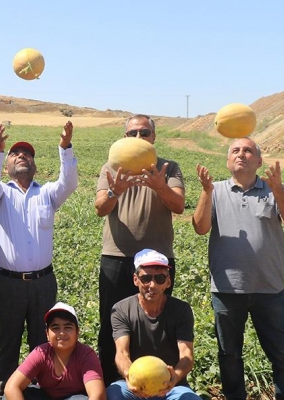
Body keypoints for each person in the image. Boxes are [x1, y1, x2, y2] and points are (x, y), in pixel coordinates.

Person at [191, 138, 284, 400]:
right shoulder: (214, 190)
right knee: (229, 355)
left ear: (259, 161)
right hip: (227, 289)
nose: (242, 155)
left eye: (248, 151)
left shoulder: (274, 189)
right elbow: (200, 227)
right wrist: (206, 192)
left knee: (282, 354)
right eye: (235, 151)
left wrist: (277, 189)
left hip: (268, 288)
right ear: (228, 161)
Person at [0, 121, 78, 393]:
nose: (22, 156)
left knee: (43, 340)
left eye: (27, 154)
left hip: (43, 282)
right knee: (8, 340)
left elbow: (69, 183)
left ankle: (40, 390)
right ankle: (6, 391)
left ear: (34, 165)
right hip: (9, 283)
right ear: (8, 164)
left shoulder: (47, 193)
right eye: (16, 154)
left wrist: (65, 148)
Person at [93, 114, 185, 384]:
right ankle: (113, 384)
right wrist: (114, 192)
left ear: (154, 138)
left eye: (145, 133)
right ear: (124, 137)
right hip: (116, 257)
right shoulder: (110, 167)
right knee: (112, 325)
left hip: (157, 262)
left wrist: (159, 186)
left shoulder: (168, 168)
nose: (138, 138)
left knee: (156, 323)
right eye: (132, 133)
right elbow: (100, 208)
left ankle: (156, 383)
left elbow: (178, 205)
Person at [107, 249, 202, 400]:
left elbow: (186, 356)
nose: (152, 285)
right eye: (146, 278)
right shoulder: (121, 309)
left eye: (159, 278)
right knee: (114, 394)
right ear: (135, 279)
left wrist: (173, 379)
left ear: (168, 281)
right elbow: (122, 353)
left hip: (172, 387)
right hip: (135, 386)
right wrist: (129, 376)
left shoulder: (181, 310)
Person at [4, 302, 105, 400]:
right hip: (44, 396)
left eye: (68, 327)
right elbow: (11, 387)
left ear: (77, 332)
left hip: (75, 397)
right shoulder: (41, 353)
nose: (61, 333)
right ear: (47, 334)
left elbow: (98, 396)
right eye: (55, 328)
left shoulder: (86, 355)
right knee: (8, 397)